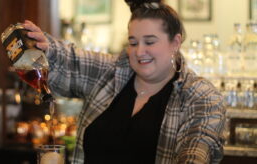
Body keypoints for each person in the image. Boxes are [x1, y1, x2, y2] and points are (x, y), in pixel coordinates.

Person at [22, 0, 226, 163]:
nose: (139, 51)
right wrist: (45, 47)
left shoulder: (199, 95)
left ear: (175, 42)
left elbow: (197, 147)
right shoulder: (112, 74)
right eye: (133, 42)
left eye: (150, 41)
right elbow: (70, 60)